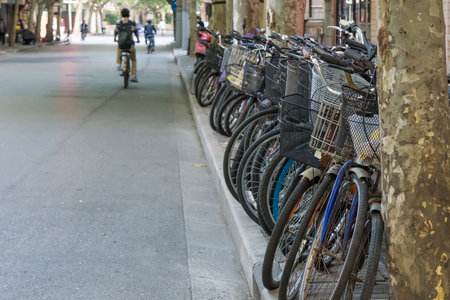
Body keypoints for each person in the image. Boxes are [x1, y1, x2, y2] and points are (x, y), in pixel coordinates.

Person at [114, 8, 140, 83]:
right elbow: (135, 32)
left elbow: (115, 32)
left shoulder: (119, 24)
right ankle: (134, 75)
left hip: (121, 45)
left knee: (119, 48)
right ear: (129, 15)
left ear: (121, 15)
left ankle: (119, 64)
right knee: (133, 60)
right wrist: (138, 39)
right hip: (130, 45)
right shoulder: (132, 23)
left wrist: (115, 39)